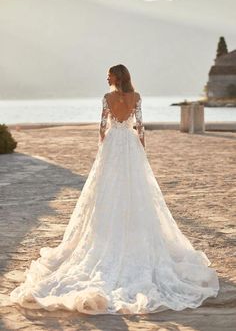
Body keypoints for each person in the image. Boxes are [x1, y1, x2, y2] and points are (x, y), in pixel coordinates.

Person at [10, 64, 219, 315]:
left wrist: (103, 149)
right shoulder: (137, 97)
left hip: (112, 145)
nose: (106, 77)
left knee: (107, 191)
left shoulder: (107, 98)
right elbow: (140, 127)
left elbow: (101, 127)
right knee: (135, 190)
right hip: (130, 145)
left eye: (109, 74)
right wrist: (141, 151)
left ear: (117, 77)